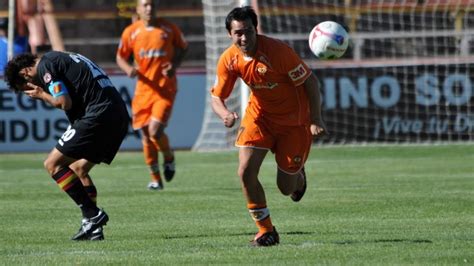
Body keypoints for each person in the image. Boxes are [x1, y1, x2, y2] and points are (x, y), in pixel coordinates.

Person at [211, 6, 327, 247]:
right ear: (229, 34)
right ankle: (266, 231)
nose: (244, 38)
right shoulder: (229, 59)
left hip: (294, 122)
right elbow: (216, 97)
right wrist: (225, 114)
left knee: (286, 189)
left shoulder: (278, 52)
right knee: (245, 171)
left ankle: (298, 176)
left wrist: (315, 119)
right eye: (238, 33)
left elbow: (311, 82)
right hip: (259, 117)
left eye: (249, 31)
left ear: (256, 30)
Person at [4, 51, 130, 241]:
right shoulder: (59, 57)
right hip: (117, 115)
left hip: (97, 115)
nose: (34, 88)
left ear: (25, 74)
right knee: (79, 169)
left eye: (27, 88)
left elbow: (63, 102)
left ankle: (93, 214)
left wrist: (41, 95)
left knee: (52, 164)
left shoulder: (46, 66)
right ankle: (92, 228)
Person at [116, 0, 188, 191]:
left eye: (152, 5)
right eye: (145, 5)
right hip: (143, 91)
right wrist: (128, 69)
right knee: (146, 137)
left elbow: (183, 47)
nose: (149, 9)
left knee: (155, 130)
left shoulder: (168, 28)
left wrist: (174, 65)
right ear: (138, 9)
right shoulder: (131, 32)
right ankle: (156, 179)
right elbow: (120, 57)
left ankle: (169, 156)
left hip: (165, 88)